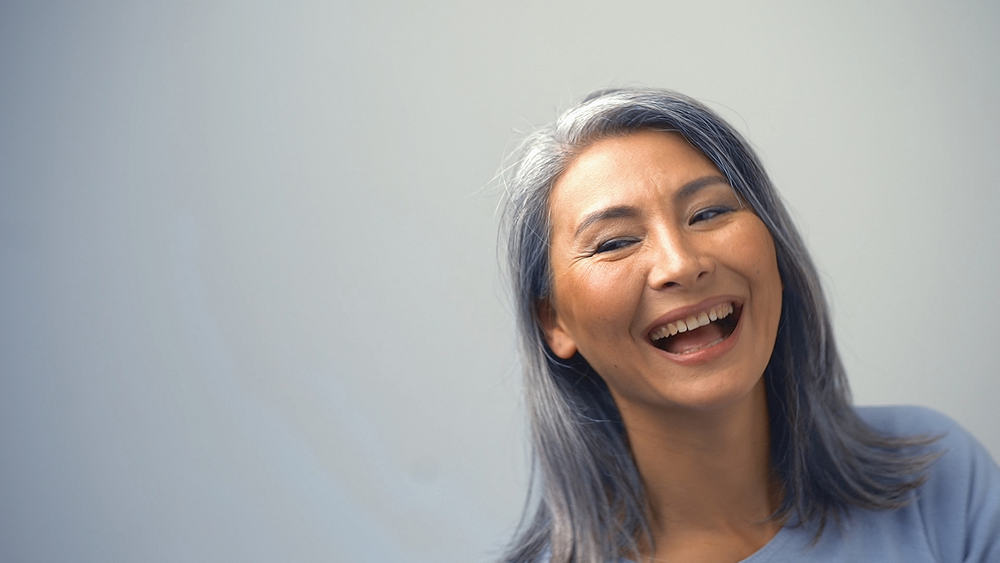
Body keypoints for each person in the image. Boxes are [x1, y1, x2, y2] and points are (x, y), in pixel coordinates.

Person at [497, 88, 1000, 562]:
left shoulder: (937, 473)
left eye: (709, 212)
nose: (680, 263)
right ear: (554, 321)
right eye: (613, 243)